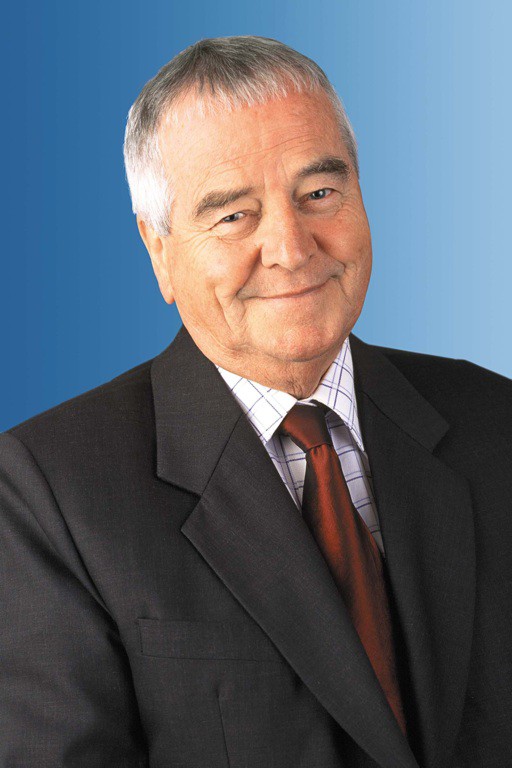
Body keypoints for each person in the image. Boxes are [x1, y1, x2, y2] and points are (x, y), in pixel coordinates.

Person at [0, 35, 511, 768]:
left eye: (319, 194)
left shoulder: (496, 420)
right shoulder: (46, 493)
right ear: (158, 250)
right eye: (233, 215)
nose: (292, 248)